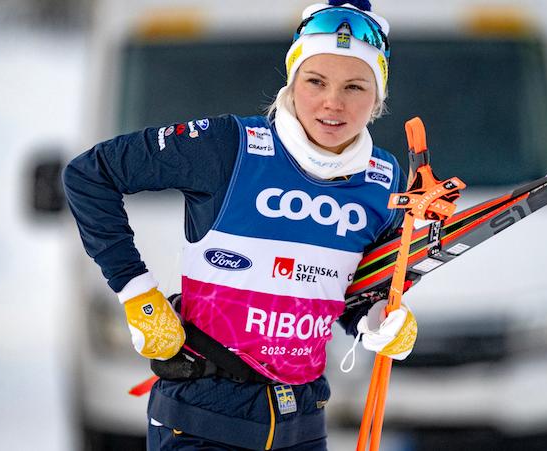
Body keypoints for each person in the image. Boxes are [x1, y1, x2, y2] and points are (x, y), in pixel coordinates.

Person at [63, 1, 420, 450]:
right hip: (202, 418)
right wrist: (138, 295)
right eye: (316, 81)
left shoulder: (383, 181)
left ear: (378, 96)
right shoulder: (229, 147)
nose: (334, 102)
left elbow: (353, 289)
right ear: (292, 81)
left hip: (301, 424)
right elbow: (89, 173)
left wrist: (377, 318)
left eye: (355, 86)